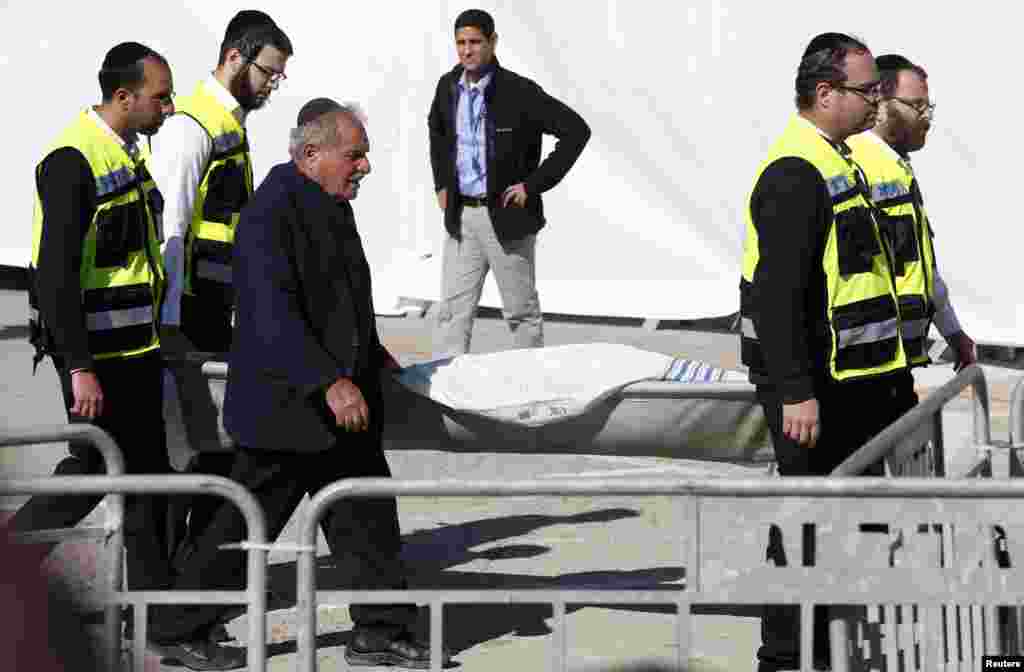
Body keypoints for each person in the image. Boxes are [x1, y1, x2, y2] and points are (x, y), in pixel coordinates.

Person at [149, 98, 447, 670]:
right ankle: (175, 628)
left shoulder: (331, 204)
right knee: (242, 527)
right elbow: (271, 315)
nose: (364, 167)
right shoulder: (271, 213)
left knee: (367, 519)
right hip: (286, 410)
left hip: (339, 408)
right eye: (354, 155)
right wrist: (329, 381)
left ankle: (380, 631)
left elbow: (343, 295)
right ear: (311, 154)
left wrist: (372, 354)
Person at [737, 33, 920, 670]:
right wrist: (795, 390)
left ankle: (831, 646)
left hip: (848, 380)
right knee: (805, 524)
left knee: (839, 524)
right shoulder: (795, 171)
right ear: (824, 92)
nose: (876, 101)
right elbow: (777, 295)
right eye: (866, 91)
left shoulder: (836, 158)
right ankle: (786, 656)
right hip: (813, 387)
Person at [12, 39, 183, 654]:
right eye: (161, 98)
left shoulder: (125, 150)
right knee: (106, 475)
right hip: (100, 358)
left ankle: (153, 611)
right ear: (123, 96)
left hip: (135, 351)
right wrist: (79, 366)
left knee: (139, 479)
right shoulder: (73, 159)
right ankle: (156, 617)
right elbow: (55, 277)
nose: (170, 108)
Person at [147, 10, 293, 571]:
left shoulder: (230, 123)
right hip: (188, 316)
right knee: (188, 454)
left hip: (215, 311)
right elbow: (171, 231)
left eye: (278, 76)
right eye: (268, 72)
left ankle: (190, 572)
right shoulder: (192, 127)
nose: (272, 85)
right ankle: (169, 578)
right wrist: (169, 323)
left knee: (214, 451)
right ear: (235, 57)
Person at [428, 8, 590, 356]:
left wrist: (533, 185)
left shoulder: (519, 91)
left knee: (520, 313)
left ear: (493, 42)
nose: (467, 50)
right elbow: (437, 132)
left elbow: (576, 131)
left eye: (475, 42)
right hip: (461, 217)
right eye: (460, 43)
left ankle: (529, 382)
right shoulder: (447, 87)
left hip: (506, 216)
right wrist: (441, 183)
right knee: (452, 313)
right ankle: (447, 384)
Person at [847, 54, 976, 371]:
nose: (926, 117)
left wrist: (953, 331)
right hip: (868, 365)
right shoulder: (853, 166)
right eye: (916, 106)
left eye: (928, 107)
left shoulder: (896, 168)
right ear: (880, 103)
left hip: (899, 358)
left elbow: (920, 265)